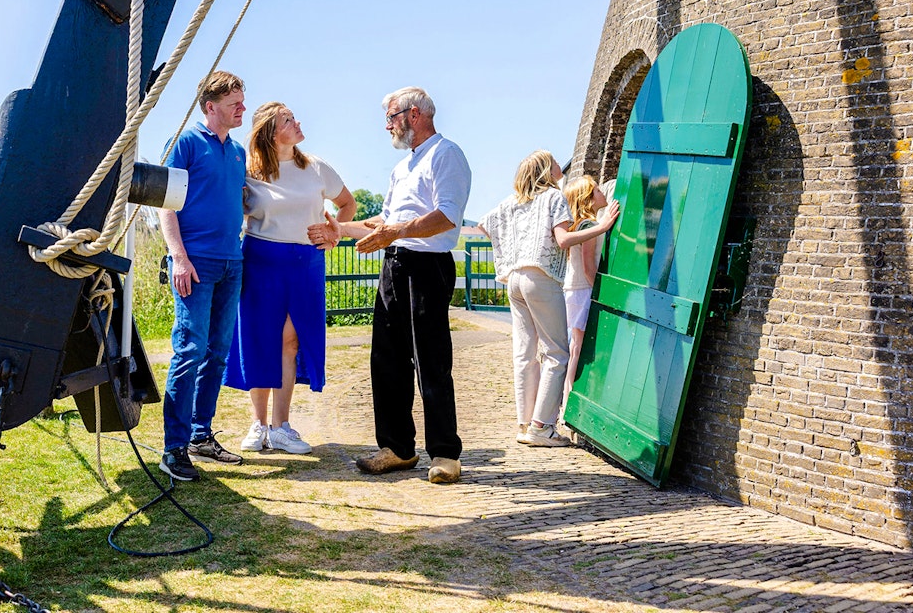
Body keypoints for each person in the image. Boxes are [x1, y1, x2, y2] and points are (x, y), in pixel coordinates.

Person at [309, 86, 471, 485]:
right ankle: (397, 448)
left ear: (414, 114)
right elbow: (382, 222)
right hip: (395, 264)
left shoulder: (446, 154)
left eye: (391, 118)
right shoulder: (402, 167)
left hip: (427, 266)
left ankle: (445, 454)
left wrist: (394, 232)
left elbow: (447, 216)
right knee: (387, 359)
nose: (387, 127)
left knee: (431, 360)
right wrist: (340, 230)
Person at [226, 102, 357, 454]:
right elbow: (227, 209)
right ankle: (258, 424)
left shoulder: (316, 167)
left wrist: (335, 232)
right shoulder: (248, 171)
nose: (298, 123)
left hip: (305, 263)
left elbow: (348, 204)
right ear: (270, 133)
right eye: (288, 120)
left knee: (290, 341)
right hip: (260, 260)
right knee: (260, 339)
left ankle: (282, 427)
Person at [478, 151, 619, 447]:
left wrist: (515, 245)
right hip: (540, 278)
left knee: (525, 354)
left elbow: (484, 225)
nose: (559, 166)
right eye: (555, 162)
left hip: (513, 280)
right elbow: (563, 240)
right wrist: (602, 227)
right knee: (557, 353)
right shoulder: (554, 198)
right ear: (546, 170)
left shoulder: (512, 202)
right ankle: (542, 428)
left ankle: (525, 423)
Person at [157, 70, 248, 482]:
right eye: (235, 104)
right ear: (211, 107)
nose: (242, 109)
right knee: (189, 350)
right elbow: (166, 205)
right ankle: (173, 449)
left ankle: (200, 435)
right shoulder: (186, 142)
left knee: (218, 352)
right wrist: (178, 257)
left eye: (242, 102)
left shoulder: (238, 153)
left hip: (232, 262)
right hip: (195, 264)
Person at [559, 174, 610, 424]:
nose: (602, 193)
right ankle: (567, 404)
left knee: (574, 347)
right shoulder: (589, 225)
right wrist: (600, 296)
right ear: (588, 199)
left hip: (574, 289)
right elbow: (589, 267)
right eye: (597, 190)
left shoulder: (579, 224)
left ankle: (564, 401)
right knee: (576, 349)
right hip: (582, 289)